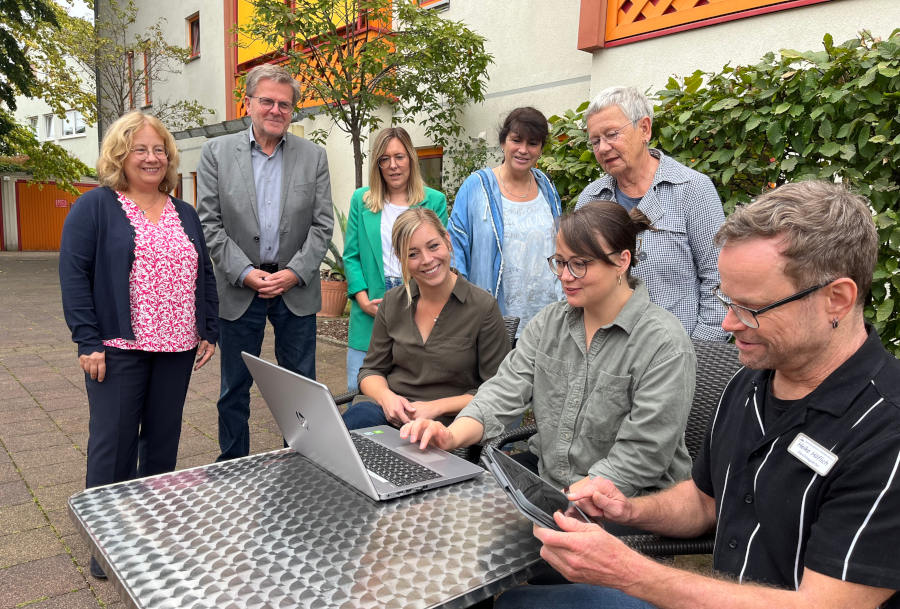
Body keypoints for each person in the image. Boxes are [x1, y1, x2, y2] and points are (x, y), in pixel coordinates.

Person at [499, 181, 900, 609]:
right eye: (725, 299)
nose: (727, 323)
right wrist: (630, 510)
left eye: (750, 308)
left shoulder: (884, 434)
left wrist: (631, 573)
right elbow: (705, 500)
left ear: (836, 299)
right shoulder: (750, 384)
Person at [403, 202, 695, 496]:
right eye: (559, 261)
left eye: (580, 264)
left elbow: (644, 452)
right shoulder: (549, 323)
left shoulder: (662, 343)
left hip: (633, 500)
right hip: (550, 479)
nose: (565, 276)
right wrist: (450, 435)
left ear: (622, 261)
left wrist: (566, 502)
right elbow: (503, 390)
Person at [59, 110, 218, 580]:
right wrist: (87, 340)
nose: (151, 158)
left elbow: (202, 272)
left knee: (163, 443)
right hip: (117, 346)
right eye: (140, 149)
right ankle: (105, 542)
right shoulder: (96, 206)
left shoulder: (182, 211)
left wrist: (208, 328)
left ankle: (150, 532)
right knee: (113, 444)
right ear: (120, 155)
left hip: (176, 346)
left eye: (158, 149)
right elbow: (74, 276)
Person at [197, 63, 333, 461]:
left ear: (293, 110)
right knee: (234, 388)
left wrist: (293, 273)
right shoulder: (216, 153)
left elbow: (323, 225)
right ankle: (234, 464)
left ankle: (302, 462)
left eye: (285, 105)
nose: (276, 110)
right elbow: (209, 223)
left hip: (295, 288)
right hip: (241, 288)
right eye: (267, 101)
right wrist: (243, 272)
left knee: (301, 388)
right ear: (248, 103)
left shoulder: (314, 157)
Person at [576, 86, 727, 342]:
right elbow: (577, 276)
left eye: (612, 134)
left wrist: (698, 352)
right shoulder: (591, 199)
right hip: (606, 352)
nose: (602, 148)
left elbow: (720, 280)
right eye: (595, 141)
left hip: (675, 352)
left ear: (644, 129)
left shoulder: (692, 190)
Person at [342, 207, 509, 430]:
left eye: (433, 246)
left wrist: (435, 407)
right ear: (401, 258)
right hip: (389, 416)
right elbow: (370, 371)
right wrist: (387, 398)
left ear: (447, 241)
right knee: (354, 423)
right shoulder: (393, 302)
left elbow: (497, 390)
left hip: (445, 427)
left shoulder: (482, 307)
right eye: (413, 254)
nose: (427, 260)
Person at [343, 127, 448, 392]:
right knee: (359, 390)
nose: (393, 165)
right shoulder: (362, 200)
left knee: (409, 392)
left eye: (399, 157)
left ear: (411, 158)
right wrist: (362, 298)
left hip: (417, 302)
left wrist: (419, 300)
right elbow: (351, 256)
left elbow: (438, 259)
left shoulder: (434, 201)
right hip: (371, 304)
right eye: (384, 159)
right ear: (377, 164)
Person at [449, 107, 562, 336]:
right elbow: (454, 250)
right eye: (516, 140)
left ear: (541, 149)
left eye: (533, 143)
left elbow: (561, 247)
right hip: (494, 323)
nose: (523, 150)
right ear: (503, 142)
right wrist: (461, 309)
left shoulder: (547, 188)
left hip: (547, 322)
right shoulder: (476, 187)